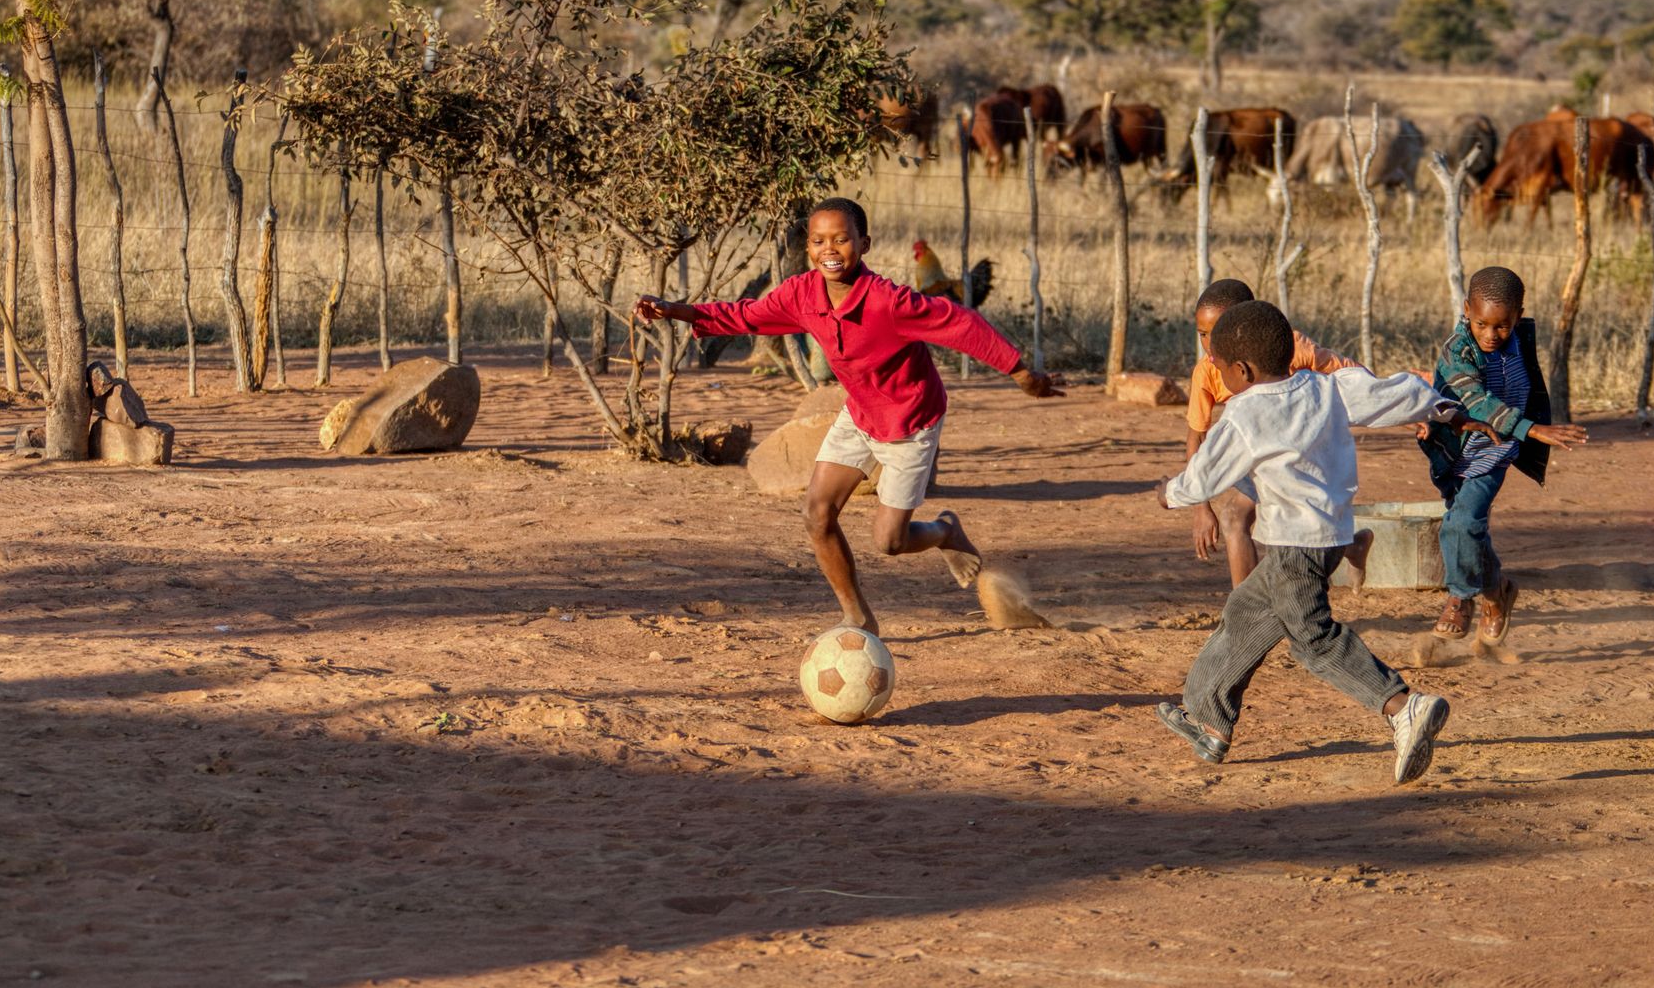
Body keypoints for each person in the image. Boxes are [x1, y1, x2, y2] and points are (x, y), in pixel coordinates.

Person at [634, 198, 1061, 634]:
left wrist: (1021, 372)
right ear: (808, 249)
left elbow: (962, 324)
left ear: (864, 243)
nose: (830, 249)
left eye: (841, 238)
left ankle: (945, 531)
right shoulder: (801, 293)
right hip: (859, 414)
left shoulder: (890, 302)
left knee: (890, 542)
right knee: (816, 515)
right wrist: (675, 310)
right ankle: (857, 617)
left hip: (910, 421)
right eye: (818, 241)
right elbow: (746, 316)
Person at [1152, 300, 1497, 783]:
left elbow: (1204, 475)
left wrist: (1169, 493)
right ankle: (1207, 715)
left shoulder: (1245, 413)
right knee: (1247, 611)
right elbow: (1391, 393)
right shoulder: (1325, 387)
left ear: (1242, 370)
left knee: (1313, 639)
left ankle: (1403, 706)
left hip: (1295, 546)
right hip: (1331, 535)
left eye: (1220, 368)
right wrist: (1443, 410)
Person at [1418, 266, 1588, 646]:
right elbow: (1478, 401)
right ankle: (1498, 594)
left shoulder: (1519, 343)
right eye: (1481, 324)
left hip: (1495, 451)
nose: (1491, 335)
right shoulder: (1456, 350)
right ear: (1467, 310)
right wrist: (1533, 429)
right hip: (1454, 451)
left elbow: (1522, 390)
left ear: (1518, 315)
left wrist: (1523, 432)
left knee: (1461, 524)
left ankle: (1460, 599)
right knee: (1471, 529)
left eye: (1502, 326)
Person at [1182, 279, 1356, 587]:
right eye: (1202, 335)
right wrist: (1200, 507)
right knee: (1239, 518)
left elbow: (1352, 375)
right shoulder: (1207, 371)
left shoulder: (1289, 347)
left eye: (1217, 331)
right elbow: (1196, 436)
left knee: (1248, 519)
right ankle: (1350, 547)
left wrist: (1413, 413)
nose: (1209, 344)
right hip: (1262, 458)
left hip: (1307, 453)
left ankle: (1249, 617)